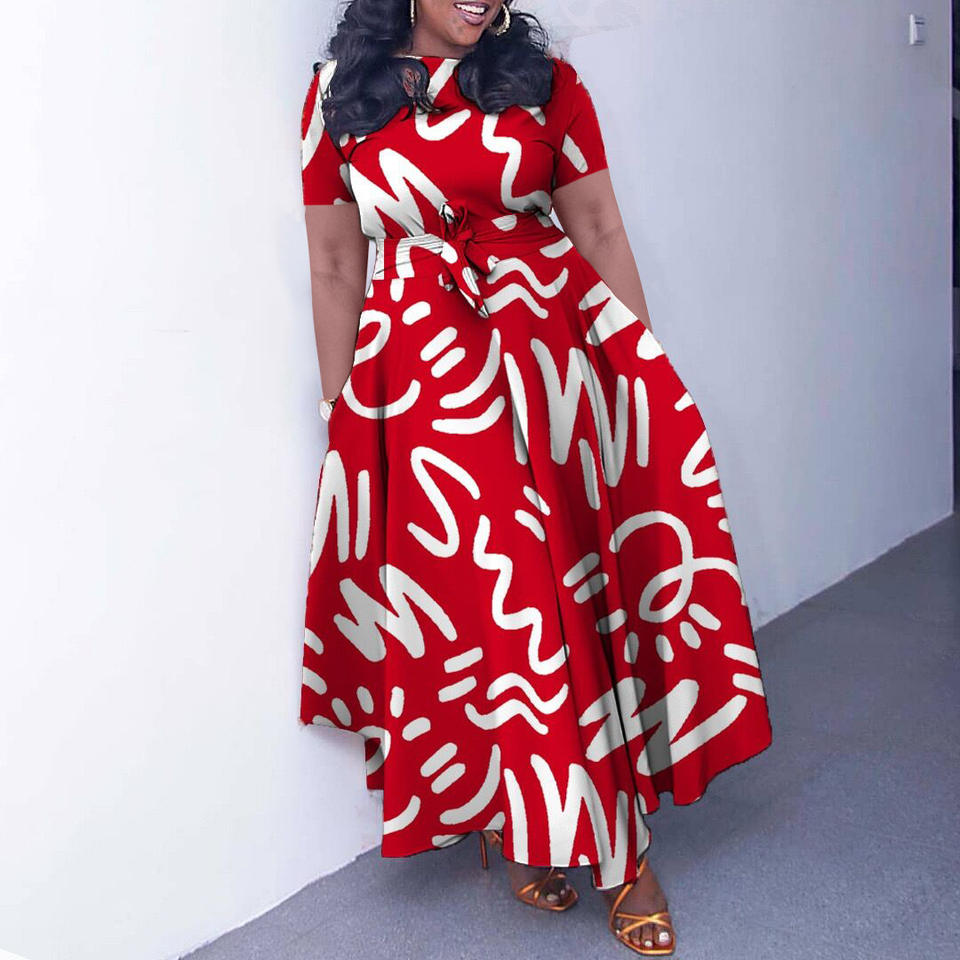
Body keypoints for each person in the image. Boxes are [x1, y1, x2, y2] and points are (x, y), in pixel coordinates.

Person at [297, 1, 773, 955]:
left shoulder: (543, 82)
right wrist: (342, 407)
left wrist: (637, 373)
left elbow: (597, 227)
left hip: (547, 362)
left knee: (561, 598)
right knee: (478, 614)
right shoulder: (337, 95)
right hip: (423, 383)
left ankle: (624, 855)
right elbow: (337, 259)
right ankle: (523, 822)